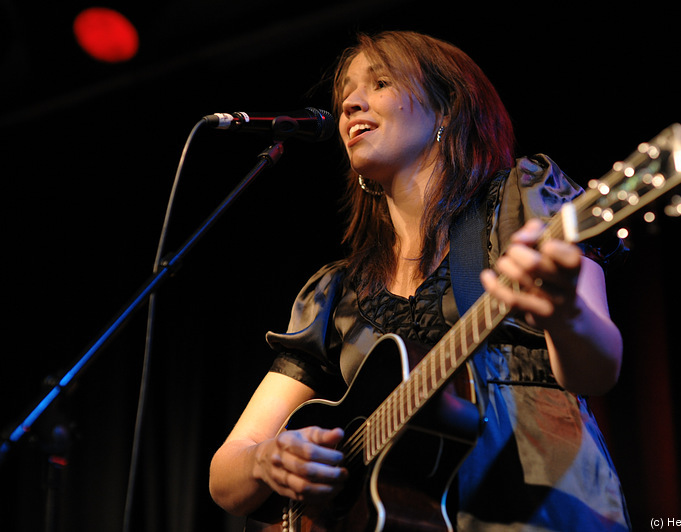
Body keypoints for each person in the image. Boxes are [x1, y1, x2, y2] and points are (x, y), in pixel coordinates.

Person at [209, 30, 631, 531]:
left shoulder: (521, 204)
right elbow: (226, 476)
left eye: (380, 82)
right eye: (345, 92)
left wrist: (568, 314)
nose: (349, 102)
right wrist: (267, 461)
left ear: (446, 109)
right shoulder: (337, 293)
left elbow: (597, 373)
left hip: (542, 509)